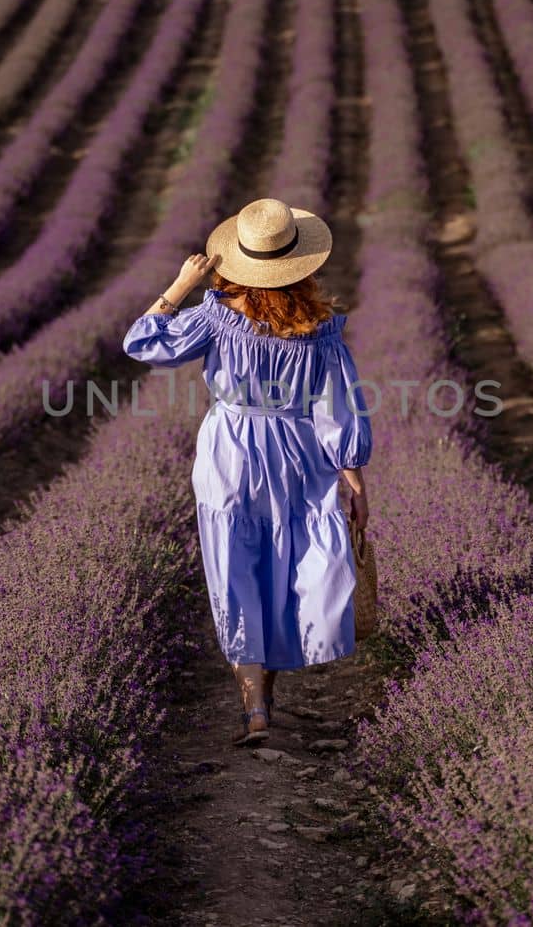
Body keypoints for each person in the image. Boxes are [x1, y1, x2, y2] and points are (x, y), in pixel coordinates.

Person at [122, 198, 372, 747]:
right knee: (286, 572)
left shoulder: (216, 317)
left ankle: (255, 710)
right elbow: (338, 411)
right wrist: (353, 480)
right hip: (298, 458)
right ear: (299, 263)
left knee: (235, 571)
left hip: (230, 455)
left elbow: (141, 344)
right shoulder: (321, 331)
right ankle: (270, 697)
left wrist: (180, 285)